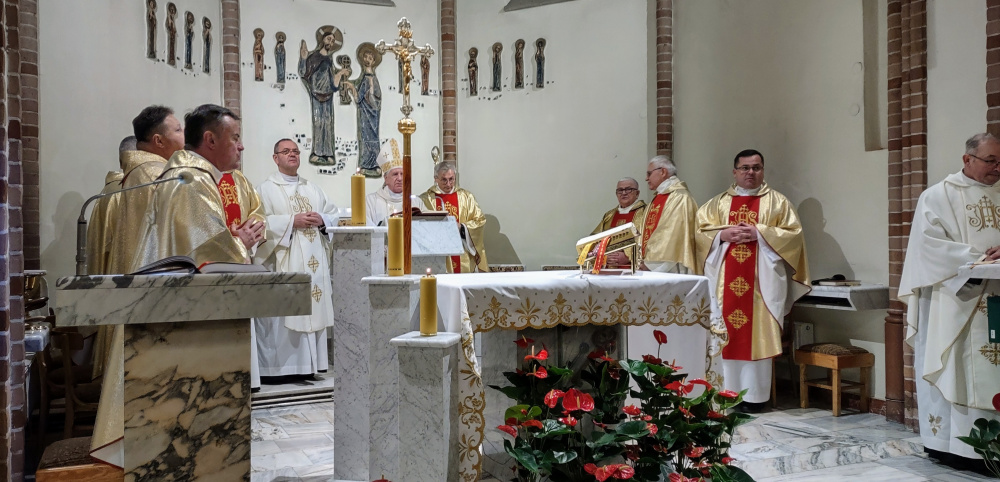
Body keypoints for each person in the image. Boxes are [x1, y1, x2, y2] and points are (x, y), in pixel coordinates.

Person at [899, 132, 1000, 468]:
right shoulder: (937, 196)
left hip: (996, 301)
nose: (997, 168)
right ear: (967, 159)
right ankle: (954, 446)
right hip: (955, 303)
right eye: (991, 161)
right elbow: (927, 248)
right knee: (955, 369)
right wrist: (977, 259)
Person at [696, 149, 809, 412]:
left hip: (761, 287)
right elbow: (698, 234)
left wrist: (760, 233)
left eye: (756, 168)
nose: (751, 173)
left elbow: (794, 237)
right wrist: (721, 235)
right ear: (734, 171)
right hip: (723, 285)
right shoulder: (716, 204)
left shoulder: (778, 203)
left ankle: (755, 398)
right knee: (724, 335)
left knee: (758, 336)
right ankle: (724, 394)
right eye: (745, 168)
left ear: (763, 171)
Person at [131, 103, 265, 269]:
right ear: (211, 140)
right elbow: (206, 250)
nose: (241, 146)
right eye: (235, 138)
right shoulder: (191, 181)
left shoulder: (192, 175)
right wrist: (240, 243)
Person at [254, 139, 340, 381]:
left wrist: (322, 220)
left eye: (295, 151)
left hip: (315, 265)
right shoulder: (264, 189)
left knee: (313, 306)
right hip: (283, 263)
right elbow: (260, 223)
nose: (292, 154)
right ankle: (285, 369)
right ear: (275, 158)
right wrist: (291, 222)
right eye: (286, 151)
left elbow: (333, 214)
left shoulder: (313, 188)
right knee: (287, 312)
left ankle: (313, 366)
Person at [108, 105, 186, 274]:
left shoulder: (144, 170)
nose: (185, 134)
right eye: (178, 130)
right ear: (159, 141)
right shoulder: (156, 174)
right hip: (158, 275)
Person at [418, 161, 488, 273]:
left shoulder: (466, 197)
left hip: (462, 253)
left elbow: (480, 220)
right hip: (437, 252)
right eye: (444, 180)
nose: (448, 184)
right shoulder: (426, 199)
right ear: (436, 179)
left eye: (451, 179)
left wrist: (462, 227)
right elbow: (419, 226)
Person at [638, 157, 698, 274]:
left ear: (663, 172)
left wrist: (651, 265)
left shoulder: (680, 197)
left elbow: (672, 234)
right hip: (650, 266)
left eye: (649, 173)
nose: (646, 178)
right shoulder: (658, 198)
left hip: (669, 267)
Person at [590, 177, 646, 269]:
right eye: (620, 190)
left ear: (637, 193)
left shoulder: (645, 213)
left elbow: (650, 241)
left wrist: (629, 256)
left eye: (628, 189)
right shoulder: (609, 215)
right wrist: (603, 256)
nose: (623, 193)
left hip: (634, 269)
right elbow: (595, 240)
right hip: (608, 269)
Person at [365, 139, 404, 226]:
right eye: (395, 174)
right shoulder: (370, 202)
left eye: (402, 174)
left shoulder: (416, 202)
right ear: (386, 178)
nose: (400, 178)